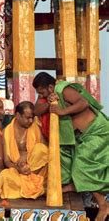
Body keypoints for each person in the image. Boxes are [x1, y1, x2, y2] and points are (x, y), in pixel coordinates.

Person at [33, 72, 108, 221]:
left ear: (50, 86)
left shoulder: (62, 89)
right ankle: (71, 187)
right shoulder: (48, 95)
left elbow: (83, 103)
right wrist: (48, 102)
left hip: (97, 131)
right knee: (64, 163)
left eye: (42, 92)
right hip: (80, 137)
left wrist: (62, 111)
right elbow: (36, 110)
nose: (40, 95)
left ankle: (103, 205)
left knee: (83, 166)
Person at [0, 101, 48, 199]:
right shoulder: (6, 132)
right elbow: (7, 161)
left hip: (35, 170)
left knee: (41, 149)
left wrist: (26, 155)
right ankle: (34, 187)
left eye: (32, 117)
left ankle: (29, 186)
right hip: (17, 170)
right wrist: (19, 169)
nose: (31, 121)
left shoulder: (37, 129)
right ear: (17, 115)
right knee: (5, 175)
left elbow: (44, 153)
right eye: (27, 118)